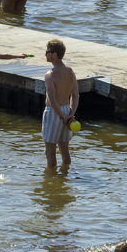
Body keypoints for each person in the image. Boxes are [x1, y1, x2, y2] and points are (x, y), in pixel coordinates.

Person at [43, 39, 79, 169]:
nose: (45, 54)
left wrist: (62, 117)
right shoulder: (70, 71)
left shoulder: (49, 75)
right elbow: (75, 96)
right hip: (67, 110)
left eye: (47, 52)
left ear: (54, 54)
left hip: (54, 112)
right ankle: (65, 176)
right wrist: (70, 115)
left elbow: (52, 101)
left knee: (50, 151)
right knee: (64, 150)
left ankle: (52, 183)